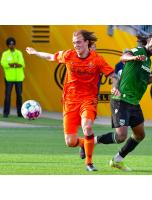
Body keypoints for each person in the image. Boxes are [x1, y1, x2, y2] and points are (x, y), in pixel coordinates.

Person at [26, 30, 119, 171]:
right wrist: (35, 52)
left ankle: (89, 163)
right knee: (70, 142)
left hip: (88, 99)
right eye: (74, 42)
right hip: (70, 101)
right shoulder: (69, 55)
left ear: (87, 42)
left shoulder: (97, 59)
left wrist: (114, 87)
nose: (76, 45)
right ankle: (84, 143)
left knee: (87, 127)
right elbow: (51, 57)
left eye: (79, 42)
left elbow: (114, 76)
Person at [94, 31, 152, 171]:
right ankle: (92, 141)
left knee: (140, 135)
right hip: (122, 99)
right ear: (148, 41)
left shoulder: (148, 60)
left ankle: (117, 160)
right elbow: (123, 57)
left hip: (134, 102)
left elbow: (147, 80)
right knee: (121, 136)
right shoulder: (139, 50)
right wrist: (134, 58)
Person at [1, 37, 25, 118]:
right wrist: (14, 64)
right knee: (7, 95)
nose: (12, 45)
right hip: (9, 78)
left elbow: (22, 64)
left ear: (15, 44)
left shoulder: (19, 53)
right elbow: (3, 63)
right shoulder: (5, 54)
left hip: (19, 78)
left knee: (19, 96)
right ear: (8, 45)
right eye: (10, 44)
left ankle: (20, 113)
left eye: (13, 44)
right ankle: (6, 113)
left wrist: (11, 64)